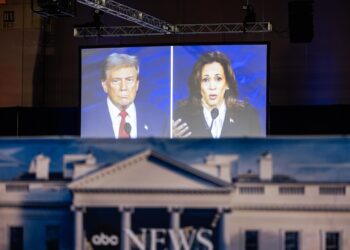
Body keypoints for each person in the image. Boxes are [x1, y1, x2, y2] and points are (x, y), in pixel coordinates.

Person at [173, 51, 262, 138]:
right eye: (205, 80)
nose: (212, 87)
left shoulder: (248, 115)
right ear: (198, 84)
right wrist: (171, 140)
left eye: (218, 79)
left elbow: (258, 151)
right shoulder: (180, 118)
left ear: (227, 84)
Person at [81, 52, 168, 138]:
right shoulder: (86, 119)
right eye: (116, 81)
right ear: (104, 85)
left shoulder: (158, 118)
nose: (123, 87)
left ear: (137, 84)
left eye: (129, 80)